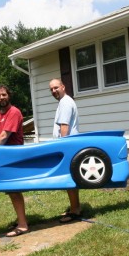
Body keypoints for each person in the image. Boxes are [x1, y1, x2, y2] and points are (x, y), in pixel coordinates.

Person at [0, 85, 28, 237]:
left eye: (3, 95)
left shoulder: (14, 112)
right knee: (11, 191)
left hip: (13, 156)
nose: (1, 98)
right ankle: (21, 219)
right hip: (1, 156)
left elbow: (4, 136)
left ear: (9, 95)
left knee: (14, 190)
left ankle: (23, 225)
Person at [49, 78, 82, 223]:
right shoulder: (64, 102)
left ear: (63, 87)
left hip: (68, 146)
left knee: (69, 179)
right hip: (69, 145)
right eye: (51, 89)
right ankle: (75, 207)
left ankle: (75, 211)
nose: (54, 91)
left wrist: (62, 147)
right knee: (70, 178)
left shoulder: (65, 102)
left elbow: (64, 125)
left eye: (56, 87)